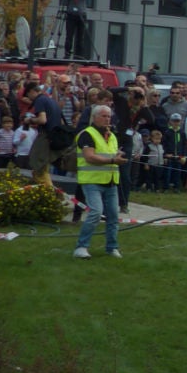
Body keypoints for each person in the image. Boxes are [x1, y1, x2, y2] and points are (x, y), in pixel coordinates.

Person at [71, 103, 128, 258]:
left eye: (109, 116)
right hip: (92, 180)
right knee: (95, 212)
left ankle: (112, 247)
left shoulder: (112, 136)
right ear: (94, 117)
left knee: (113, 215)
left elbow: (111, 153)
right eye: (103, 116)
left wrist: (119, 155)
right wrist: (113, 161)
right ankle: (81, 247)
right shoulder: (87, 134)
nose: (107, 119)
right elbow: (89, 157)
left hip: (110, 181)